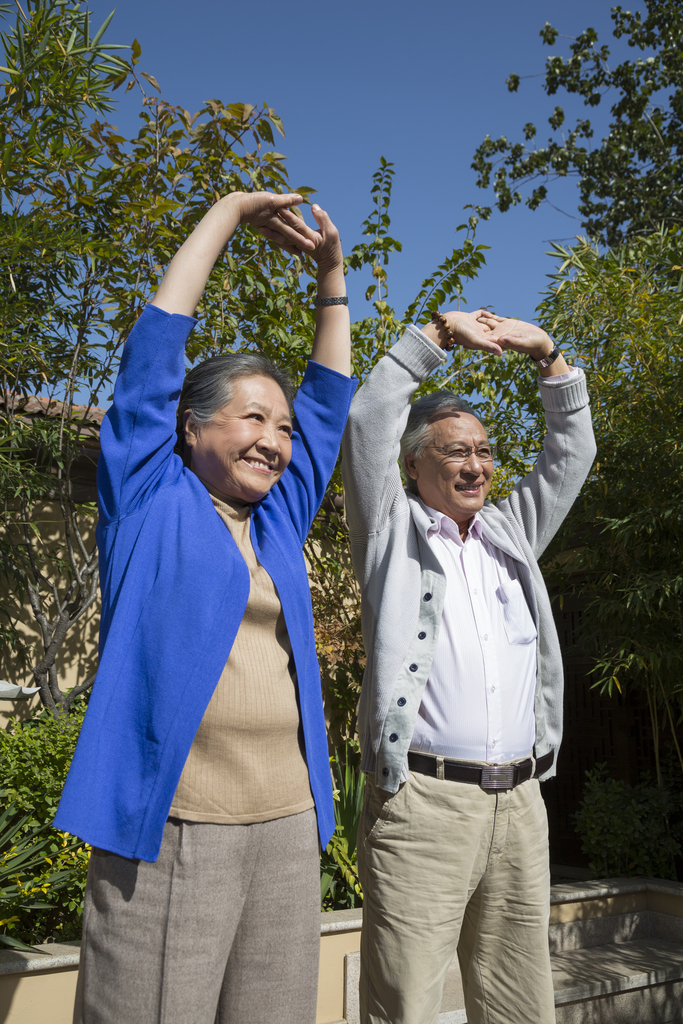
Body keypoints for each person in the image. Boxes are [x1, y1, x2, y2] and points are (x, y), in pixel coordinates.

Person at [54, 190, 357, 1024]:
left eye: (281, 427)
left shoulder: (280, 517)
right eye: (251, 416)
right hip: (175, 823)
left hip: (287, 826)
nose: (274, 438)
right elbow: (153, 352)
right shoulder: (149, 498)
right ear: (188, 429)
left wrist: (331, 274)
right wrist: (225, 214)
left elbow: (328, 400)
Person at [341, 308, 596, 1024]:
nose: (475, 465)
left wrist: (548, 355)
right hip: (423, 806)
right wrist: (435, 337)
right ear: (413, 462)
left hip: (519, 805)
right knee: (408, 1002)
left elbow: (569, 455)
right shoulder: (390, 532)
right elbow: (367, 420)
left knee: (520, 1001)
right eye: (454, 452)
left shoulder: (509, 533)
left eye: (483, 450)